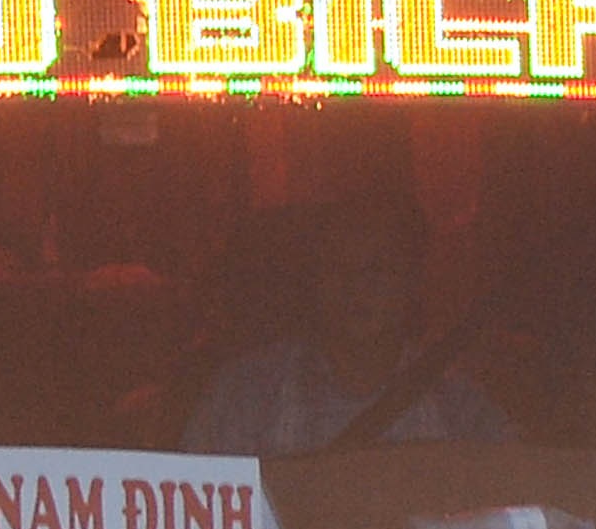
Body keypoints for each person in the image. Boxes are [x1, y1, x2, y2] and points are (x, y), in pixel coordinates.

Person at [185, 190, 513, 454]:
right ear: (313, 280)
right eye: (337, 268)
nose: (355, 287)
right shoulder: (245, 397)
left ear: (412, 284)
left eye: (376, 270)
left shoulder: (461, 410)